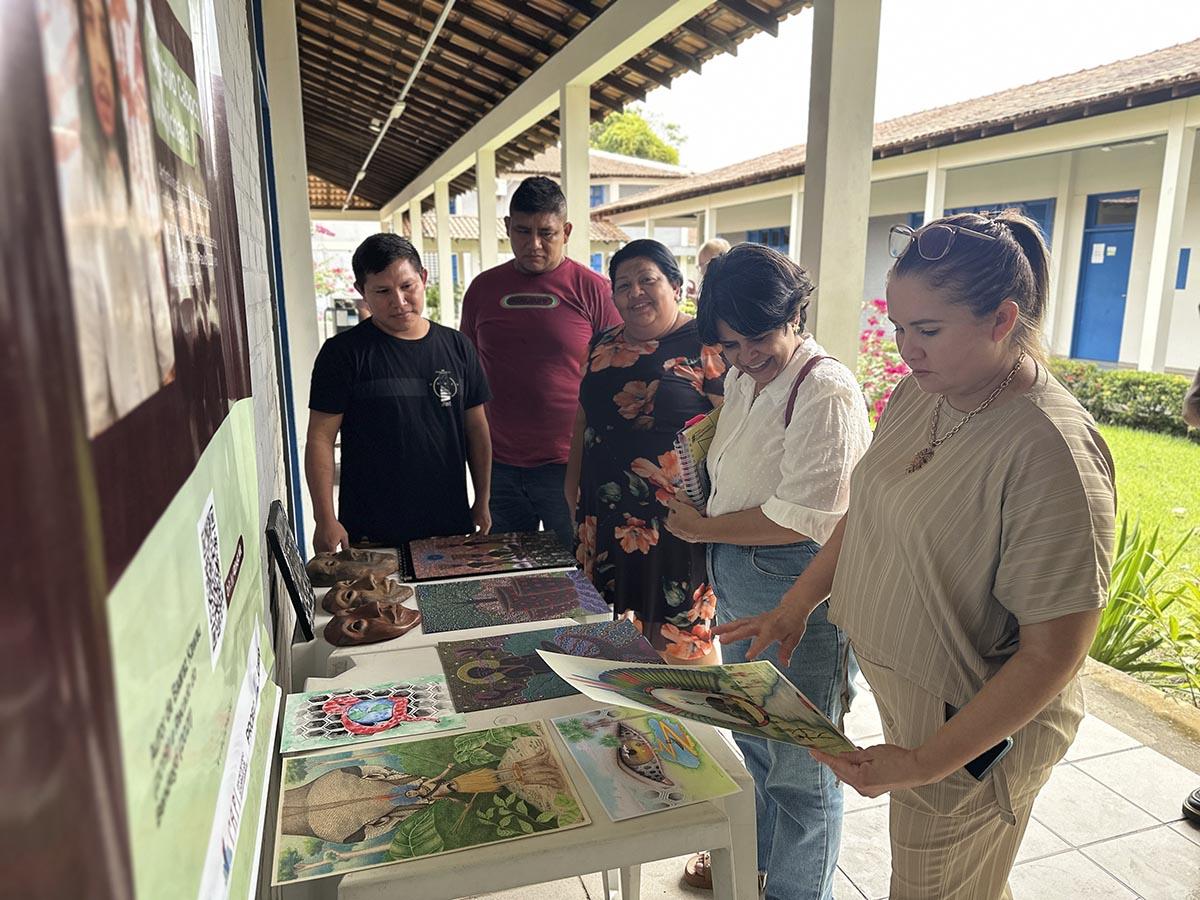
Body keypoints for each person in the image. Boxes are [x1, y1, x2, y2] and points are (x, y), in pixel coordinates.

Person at [718, 212, 1117, 899]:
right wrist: (794, 605)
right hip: (918, 710)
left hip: (975, 733)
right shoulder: (924, 392)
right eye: (898, 327)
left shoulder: (1049, 449)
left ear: (1001, 319)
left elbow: (1055, 653)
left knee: (936, 886)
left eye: (926, 330)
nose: (906, 349)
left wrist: (927, 762)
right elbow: (866, 510)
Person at [664, 243, 871, 898]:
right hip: (740, 572)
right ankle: (756, 861)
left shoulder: (825, 389)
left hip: (798, 584)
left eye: (760, 338)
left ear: (796, 315)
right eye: (730, 344)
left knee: (806, 769)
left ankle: (795, 890)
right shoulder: (748, 377)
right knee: (758, 740)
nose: (747, 355)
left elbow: (802, 518)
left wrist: (701, 528)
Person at [566, 239, 726, 662]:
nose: (635, 292)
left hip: (676, 517)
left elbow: (730, 431)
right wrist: (572, 487)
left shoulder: (706, 345)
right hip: (605, 513)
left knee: (681, 637)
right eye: (623, 285)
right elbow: (583, 419)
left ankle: (689, 722)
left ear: (676, 285)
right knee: (611, 632)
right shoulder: (601, 345)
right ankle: (629, 718)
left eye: (647, 280)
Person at [460, 176, 621, 550]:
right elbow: (467, 371)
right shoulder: (483, 290)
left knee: (576, 574)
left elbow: (617, 371)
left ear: (565, 231)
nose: (533, 244)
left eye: (546, 233)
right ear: (507, 228)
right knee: (507, 577)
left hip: (569, 464)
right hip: (497, 465)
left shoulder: (593, 290)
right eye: (522, 231)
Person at [306, 234, 492, 552]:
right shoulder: (342, 353)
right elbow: (320, 439)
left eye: (407, 286)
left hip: (447, 528)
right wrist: (324, 517)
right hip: (370, 534)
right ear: (361, 292)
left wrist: (483, 499)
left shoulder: (457, 347)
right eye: (382, 291)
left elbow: (476, 430)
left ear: (423, 278)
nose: (399, 301)